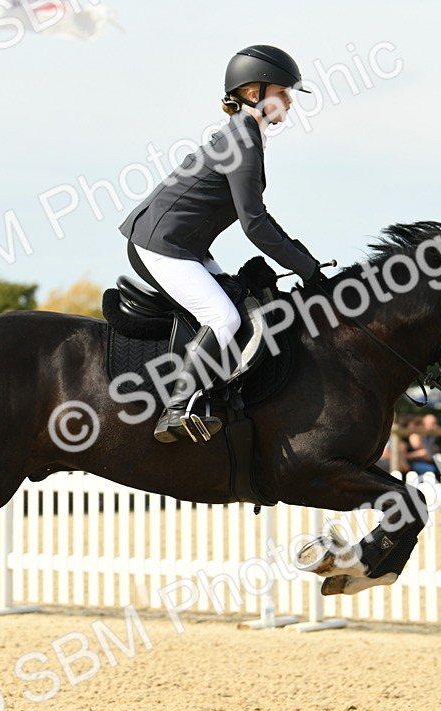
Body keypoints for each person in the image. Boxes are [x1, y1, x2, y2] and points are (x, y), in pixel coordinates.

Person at [118, 44, 322, 443]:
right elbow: (255, 225)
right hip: (160, 245)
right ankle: (175, 409)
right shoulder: (242, 141)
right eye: (283, 93)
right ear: (252, 94)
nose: (290, 103)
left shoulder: (246, 135)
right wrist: (306, 267)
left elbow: (259, 217)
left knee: (241, 301)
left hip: (185, 245)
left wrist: (304, 257)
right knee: (223, 318)